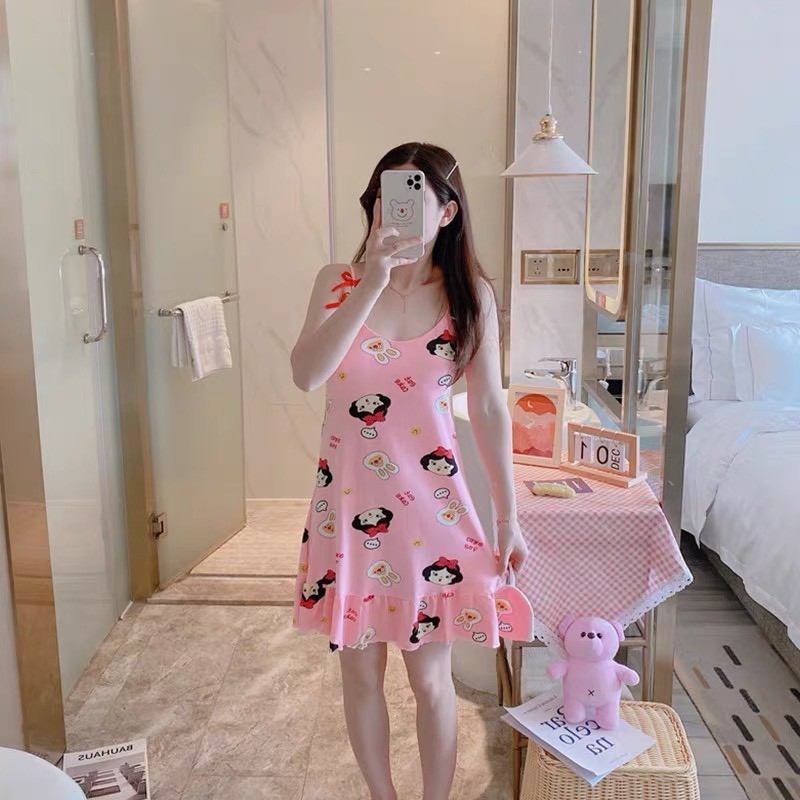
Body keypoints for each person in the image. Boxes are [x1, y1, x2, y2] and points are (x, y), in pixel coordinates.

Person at [290, 142, 528, 800]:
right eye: (381, 197)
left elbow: (489, 408)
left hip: (432, 517)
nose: (388, 210)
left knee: (429, 682)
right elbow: (307, 373)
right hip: (349, 516)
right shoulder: (337, 282)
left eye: (410, 196)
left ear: (447, 212)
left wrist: (508, 517)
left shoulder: (469, 296)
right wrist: (371, 281)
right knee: (360, 678)